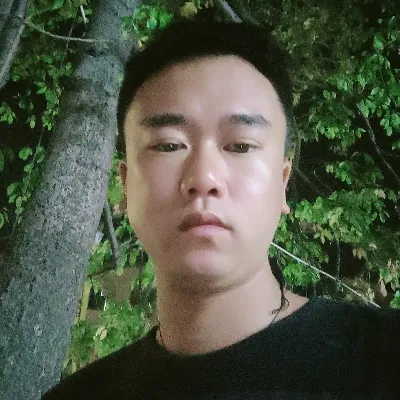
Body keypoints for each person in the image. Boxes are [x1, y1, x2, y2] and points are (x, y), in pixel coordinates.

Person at [43, 16, 400, 400]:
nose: (204, 178)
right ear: (126, 184)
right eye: (168, 145)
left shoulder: (384, 359)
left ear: (282, 184)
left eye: (240, 146)